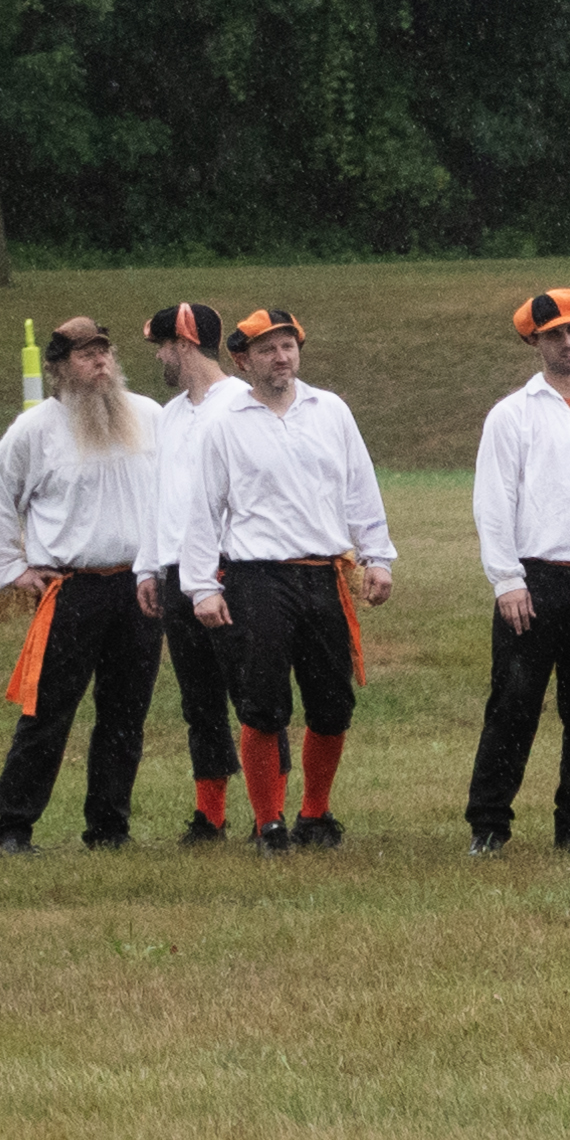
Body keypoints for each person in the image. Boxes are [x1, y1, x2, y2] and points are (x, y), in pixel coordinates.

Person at [170, 305, 396, 851]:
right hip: (256, 577)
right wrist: (201, 586)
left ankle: (314, 816)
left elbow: (359, 487)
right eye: (268, 349)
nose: (281, 357)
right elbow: (204, 509)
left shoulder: (331, 410)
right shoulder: (225, 425)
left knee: (332, 703)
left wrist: (378, 556)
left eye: (288, 345)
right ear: (243, 360)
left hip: (322, 575)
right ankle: (268, 822)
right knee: (263, 703)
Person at [0, 315, 170, 851]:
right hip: (71, 590)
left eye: (105, 352)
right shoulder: (33, 432)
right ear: (59, 368)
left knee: (125, 715)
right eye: (87, 355)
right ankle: (13, 828)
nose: (101, 362)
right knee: (47, 713)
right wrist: (13, 570)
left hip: (140, 590)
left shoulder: (150, 417)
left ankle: (109, 828)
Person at [461, 285, 570, 858]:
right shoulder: (512, 415)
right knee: (512, 705)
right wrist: (507, 580)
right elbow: (493, 503)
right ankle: (489, 823)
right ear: (535, 340)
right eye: (555, 334)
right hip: (534, 579)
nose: (568, 342)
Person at [137, 302, 244, 841]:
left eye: (160, 345)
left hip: (232, 569)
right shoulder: (173, 414)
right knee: (199, 700)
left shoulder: (240, 405)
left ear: (182, 344)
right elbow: (159, 496)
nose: (158, 356)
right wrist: (147, 568)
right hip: (177, 570)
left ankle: (269, 810)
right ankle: (211, 815)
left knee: (252, 694)